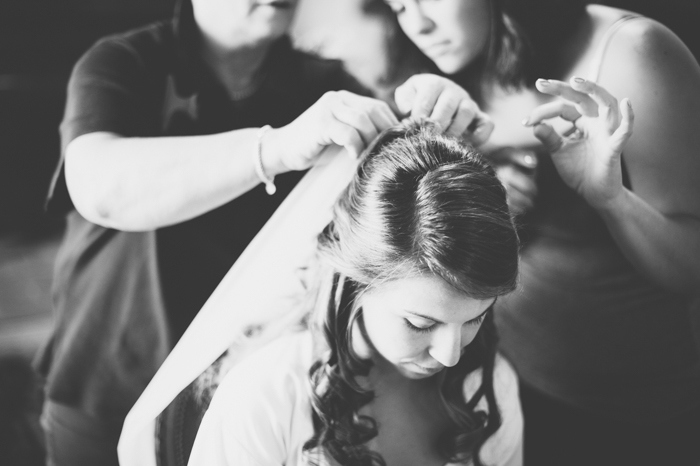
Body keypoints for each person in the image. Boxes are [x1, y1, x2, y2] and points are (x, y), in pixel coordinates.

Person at [34, 1, 490, 464]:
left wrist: (437, 111)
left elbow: (392, 178)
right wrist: (274, 147)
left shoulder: (325, 84)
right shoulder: (122, 61)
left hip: (236, 386)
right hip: (108, 379)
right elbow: (99, 188)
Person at [371, 0, 700, 464]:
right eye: (399, 6)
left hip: (636, 406)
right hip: (500, 383)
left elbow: (691, 266)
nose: (417, 23)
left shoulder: (631, 53)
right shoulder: (433, 74)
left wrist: (611, 200)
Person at [187, 120, 523, 466]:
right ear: (357, 282)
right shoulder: (263, 397)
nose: (450, 356)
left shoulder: (489, 385)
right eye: (421, 324)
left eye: (474, 319)